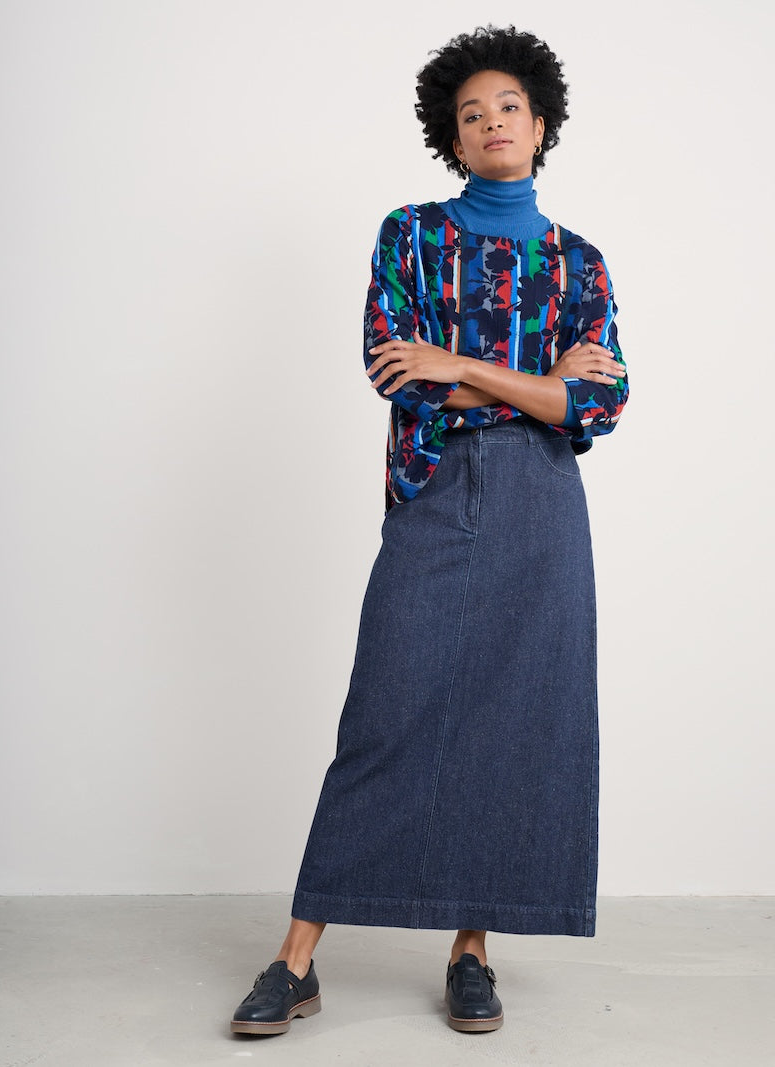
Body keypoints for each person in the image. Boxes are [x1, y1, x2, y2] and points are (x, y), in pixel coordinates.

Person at [230, 24, 628, 1037]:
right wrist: (532, 382)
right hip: (433, 489)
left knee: (516, 718)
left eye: (508, 108)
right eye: (470, 114)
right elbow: (393, 367)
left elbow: (598, 403)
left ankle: (470, 949)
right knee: (386, 708)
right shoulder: (408, 235)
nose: (492, 122)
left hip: (542, 503)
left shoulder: (579, 262)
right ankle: (296, 959)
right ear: (452, 140)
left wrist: (465, 367)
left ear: (541, 125)